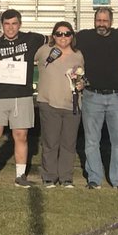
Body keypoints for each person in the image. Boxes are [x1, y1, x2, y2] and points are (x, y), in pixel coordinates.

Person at [0, 9, 46, 187]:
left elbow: (55, 40)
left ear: (20, 24)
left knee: (21, 136)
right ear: (1, 25)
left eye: (14, 24)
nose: (11, 28)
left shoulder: (31, 39)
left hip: (21, 96)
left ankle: (20, 176)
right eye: (7, 24)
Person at [75, 7, 118, 189]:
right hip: (92, 96)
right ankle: (94, 178)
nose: (101, 24)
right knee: (92, 142)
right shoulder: (84, 37)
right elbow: (62, 42)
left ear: (111, 21)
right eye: (98, 20)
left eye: (105, 21)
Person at [35, 21, 83, 188]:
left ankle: (66, 177)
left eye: (67, 33)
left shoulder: (78, 55)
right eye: (59, 33)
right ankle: (49, 176)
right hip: (49, 103)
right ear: (53, 36)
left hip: (71, 105)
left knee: (68, 144)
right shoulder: (44, 51)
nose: (63, 37)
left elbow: (81, 77)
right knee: (50, 142)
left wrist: (81, 84)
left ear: (72, 36)